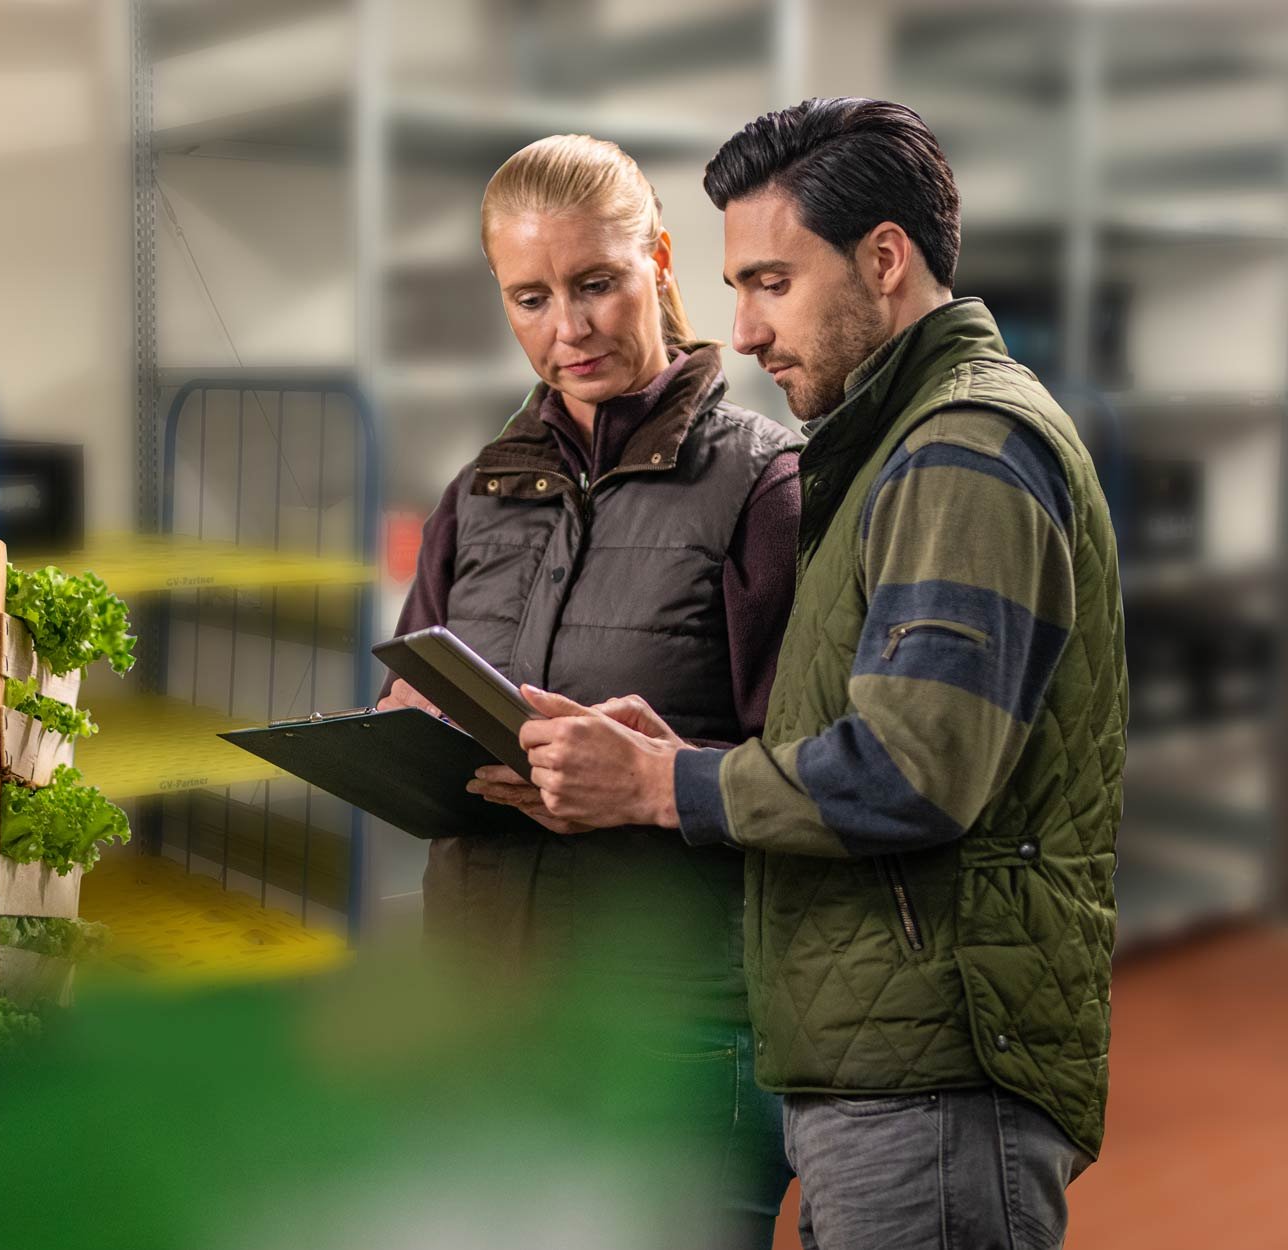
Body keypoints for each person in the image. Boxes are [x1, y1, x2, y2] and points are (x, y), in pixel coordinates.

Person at [473, 99, 1127, 1249]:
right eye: (736, 288)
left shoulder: (962, 448)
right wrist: (680, 760)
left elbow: (913, 769)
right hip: (873, 1057)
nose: (744, 328)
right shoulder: (890, 449)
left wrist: (655, 787)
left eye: (771, 282)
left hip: (928, 1068)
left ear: (882, 259)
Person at [379, 133, 802, 1247]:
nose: (565, 328)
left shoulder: (763, 484)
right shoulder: (475, 494)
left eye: (595, 283)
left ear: (658, 259)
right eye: (529, 296)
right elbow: (415, 674)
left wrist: (654, 781)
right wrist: (402, 741)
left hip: (672, 1018)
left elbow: (817, 773)